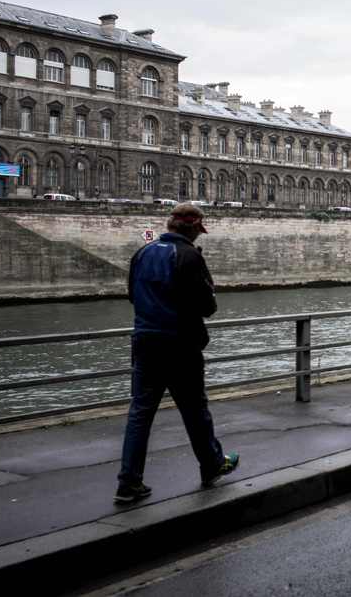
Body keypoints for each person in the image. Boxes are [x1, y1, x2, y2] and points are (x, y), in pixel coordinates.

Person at [115, 203, 239, 504]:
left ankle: (129, 482)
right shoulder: (188, 256)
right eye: (200, 230)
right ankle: (211, 464)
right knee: (195, 409)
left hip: (145, 341)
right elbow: (207, 308)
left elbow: (132, 295)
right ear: (195, 228)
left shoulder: (142, 253)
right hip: (180, 343)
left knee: (140, 413)